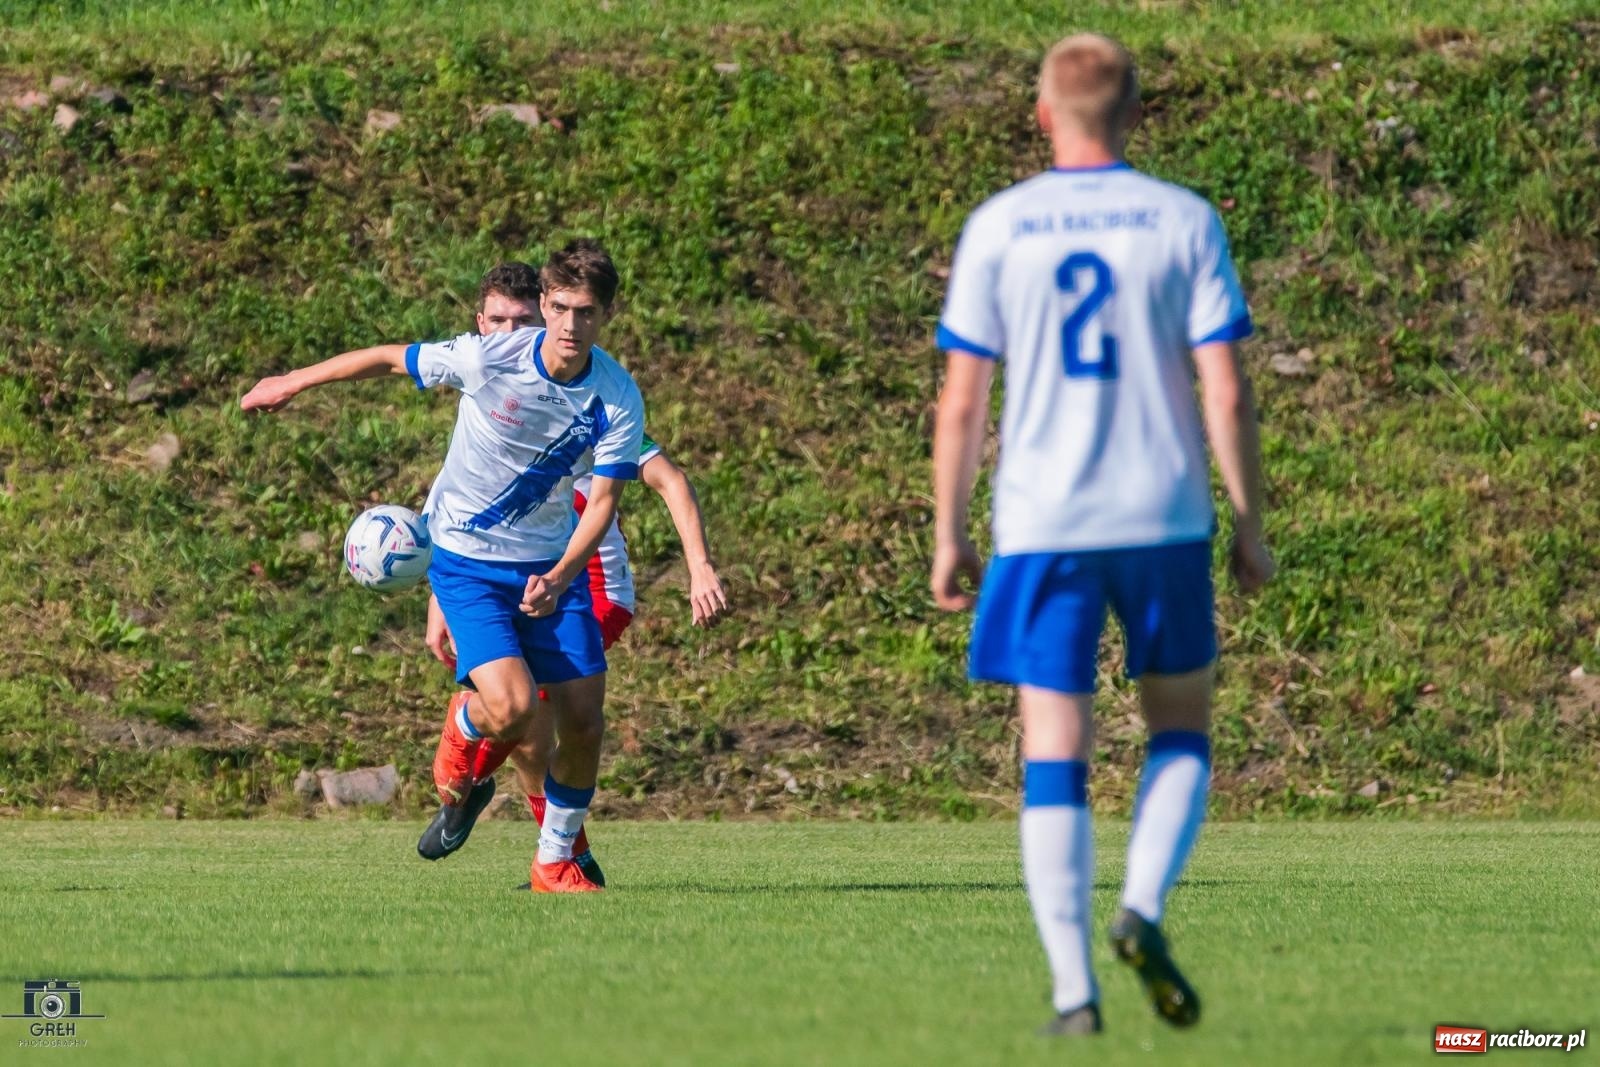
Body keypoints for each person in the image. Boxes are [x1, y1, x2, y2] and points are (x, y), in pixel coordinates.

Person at [930, 33, 1274, 1036]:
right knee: (1179, 728)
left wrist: (949, 531)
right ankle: (1144, 903)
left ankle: (1073, 992)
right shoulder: (1182, 218)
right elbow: (1224, 383)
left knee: (1054, 748)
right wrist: (1249, 520)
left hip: (1042, 522)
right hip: (1161, 513)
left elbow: (961, 402)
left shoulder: (999, 224)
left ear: (1042, 114)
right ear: (1132, 114)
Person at [242, 239, 646, 894]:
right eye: (562, 308)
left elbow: (602, 502)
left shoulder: (616, 395)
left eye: (588, 311)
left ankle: (553, 861)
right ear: (544, 305)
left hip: (551, 562)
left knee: (584, 719)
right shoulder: (489, 359)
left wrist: (565, 572)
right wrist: (292, 382)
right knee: (513, 709)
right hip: (468, 565)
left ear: (605, 315)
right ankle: (464, 729)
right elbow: (386, 359)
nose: (572, 325)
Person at [417, 261, 729, 885]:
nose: (513, 332)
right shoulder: (495, 393)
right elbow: (458, 506)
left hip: (589, 586)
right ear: (480, 327)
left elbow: (667, 479)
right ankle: (554, 845)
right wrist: (438, 596)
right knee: (525, 722)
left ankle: (529, 828)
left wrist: (699, 565)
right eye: (496, 322)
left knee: (552, 720)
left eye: (523, 320)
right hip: (504, 574)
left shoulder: (598, 403)